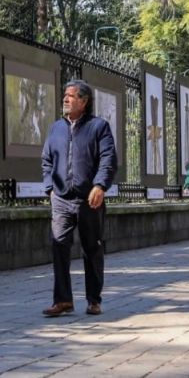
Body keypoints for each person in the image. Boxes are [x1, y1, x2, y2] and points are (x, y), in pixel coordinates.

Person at [41, 80, 117, 318]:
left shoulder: (99, 127)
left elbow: (108, 159)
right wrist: (49, 190)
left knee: (92, 248)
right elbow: (46, 161)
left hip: (89, 199)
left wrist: (100, 185)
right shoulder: (55, 129)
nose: (66, 99)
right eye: (65, 95)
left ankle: (94, 299)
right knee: (59, 246)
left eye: (71, 96)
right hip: (61, 198)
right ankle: (63, 300)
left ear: (84, 101)